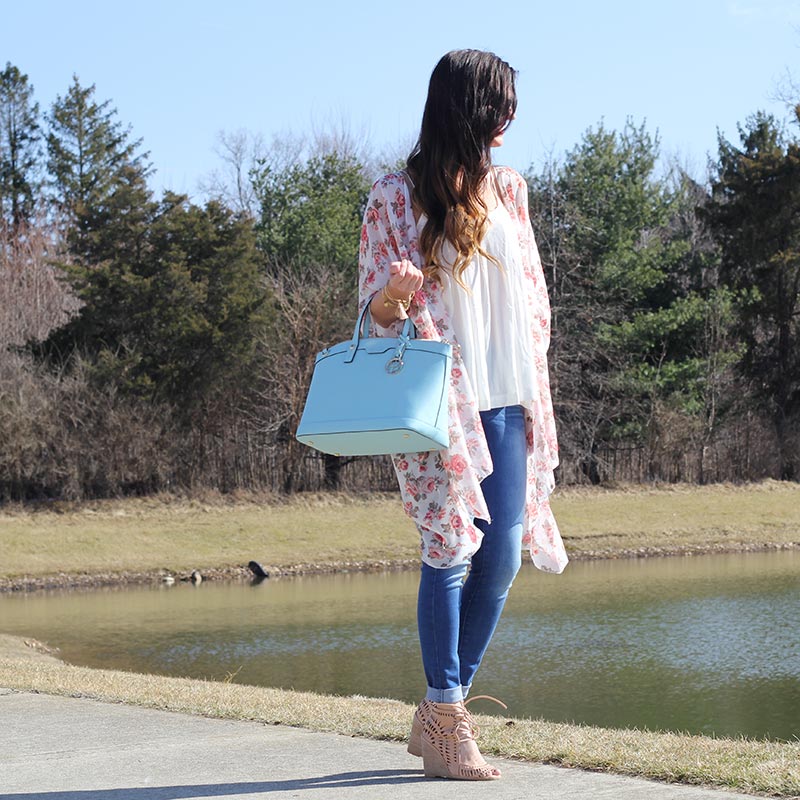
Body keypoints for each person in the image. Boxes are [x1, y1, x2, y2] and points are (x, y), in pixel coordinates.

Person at [357, 49, 569, 781]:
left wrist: (538, 383)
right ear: (467, 108)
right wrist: (394, 295)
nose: (510, 116)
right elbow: (375, 316)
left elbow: (532, 295)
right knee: (450, 550)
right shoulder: (394, 197)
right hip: (440, 400)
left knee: (501, 557)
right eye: (499, 103)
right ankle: (449, 717)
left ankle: (438, 712)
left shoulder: (510, 189)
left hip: (510, 395)